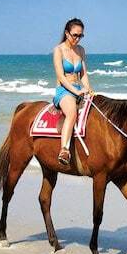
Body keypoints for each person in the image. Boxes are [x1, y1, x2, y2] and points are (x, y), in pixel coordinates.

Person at [52, 18, 94, 165]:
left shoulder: (81, 50)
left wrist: (88, 90)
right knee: (71, 113)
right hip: (64, 90)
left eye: (80, 36)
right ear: (67, 33)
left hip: (79, 89)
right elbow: (61, 77)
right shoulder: (58, 50)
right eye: (75, 35)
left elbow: (83, 74)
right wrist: (76, 93)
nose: (77, 38)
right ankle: (64, 150)